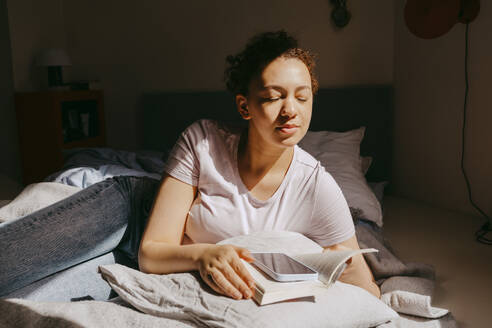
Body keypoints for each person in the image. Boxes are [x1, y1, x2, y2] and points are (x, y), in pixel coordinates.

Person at [138, 30, 380, 300]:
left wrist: (342, 269)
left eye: (302, 97)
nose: (290, 111)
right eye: (274, 97)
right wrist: (203, 255)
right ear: (244, 107)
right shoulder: (202, 143)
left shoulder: (317, 186)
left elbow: (369, 290)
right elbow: (150, 252)